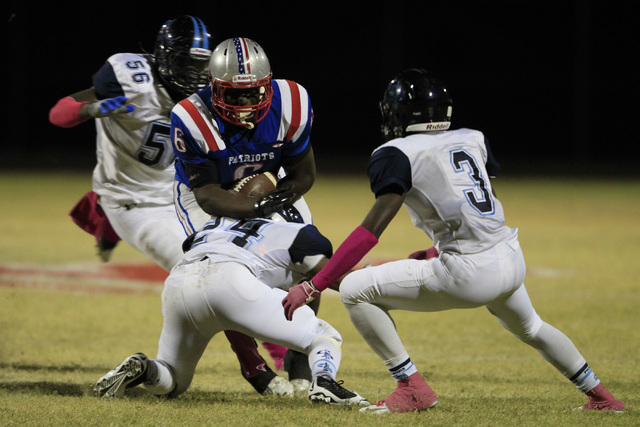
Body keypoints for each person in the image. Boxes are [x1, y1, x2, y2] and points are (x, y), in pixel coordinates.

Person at [282, 68, 625, 414]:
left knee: (355, 288)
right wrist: (436, 249)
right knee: (532, 326)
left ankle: (412, 386)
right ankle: (602, 396)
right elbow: (482, 203)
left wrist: (314, 285)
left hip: (469, 271)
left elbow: (370, 231)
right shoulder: (472, 137)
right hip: (509, 256)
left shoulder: (397, 152)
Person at [48, 16, 291, 397]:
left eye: (200, 65)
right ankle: (257, 369)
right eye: (186, 63)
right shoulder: (128, 77)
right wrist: (89, 110)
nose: (194, 74)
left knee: (241, 258)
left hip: (184, 193)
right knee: (206, 271)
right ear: (162, 58)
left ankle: (281, 350)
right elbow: (58, 112)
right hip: (134, 202)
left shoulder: (212, 94)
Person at [169, 37, 318, 393]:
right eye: (234, 94)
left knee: (307, 255)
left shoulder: (293, 102)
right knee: (225, 271)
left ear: (268, 84)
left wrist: (274, 200)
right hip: (205, 195)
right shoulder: (190, 117)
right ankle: (252, 365)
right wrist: (256, 209)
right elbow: (207, 196)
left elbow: (303, 175)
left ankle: (299, 352)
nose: (245, 102)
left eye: (253, 93)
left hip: (271, 186)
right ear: (213, 86)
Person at [93, 215, 368, 406]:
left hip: (179, 282)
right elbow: (332, 276)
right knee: (324, 335)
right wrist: (373, 280)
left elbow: (190, 245)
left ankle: (146, 368)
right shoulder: (299, 233)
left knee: (173, 381)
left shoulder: (216, 225)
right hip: (231, 281)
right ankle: (325, 382)